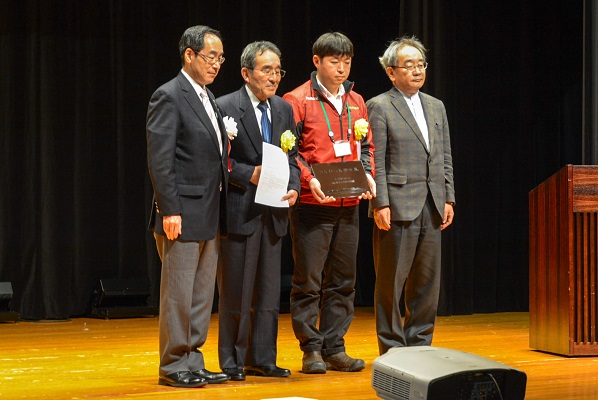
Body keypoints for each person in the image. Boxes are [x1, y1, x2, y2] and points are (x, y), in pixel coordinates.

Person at [282, 32, 375, 374]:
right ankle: (311, 349)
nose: (341, 68)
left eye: (346, 61)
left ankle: (335, 346)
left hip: (348, 204)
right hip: (312, 204)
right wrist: (310, 180)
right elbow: (289, 151)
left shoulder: (356, 101)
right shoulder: (297, 99)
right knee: (308, 280)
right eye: (334, 61)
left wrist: (368, 174)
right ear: (316, 61)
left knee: (343, 281)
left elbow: (366, 147)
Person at [146, 25, 230, 388]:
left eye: (220, 58)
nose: (216, 64)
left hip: (210, 210)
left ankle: (193, 359)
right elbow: (160, 160)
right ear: (189, 55)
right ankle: (173, 363)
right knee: (178, 293)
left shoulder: (207, 96)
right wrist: (170, 210)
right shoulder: (169, 95)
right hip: (181, 212)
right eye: (211, 56)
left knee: (200, 294)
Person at [215, 41, 300, 381]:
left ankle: (262, 358)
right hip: (242, 209)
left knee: (267, 292)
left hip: (274, 211)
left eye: (278, 70)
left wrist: (294, 185)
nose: (274, 77)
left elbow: (292, 155)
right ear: (246, 73)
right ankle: (233, 361)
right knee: (236, 291)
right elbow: (219, 161)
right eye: (267, 70)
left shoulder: (282, 109)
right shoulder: (225, 107)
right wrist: (247, 174)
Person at [366, 36, 455, 355]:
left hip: (432, 204)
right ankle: (392, 348)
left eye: (421, 65)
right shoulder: (379, 105)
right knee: (391, 283)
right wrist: (381, 202)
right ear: (391, 72)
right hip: (397, 205)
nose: (417, 71)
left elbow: (444, 155)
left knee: (427, 284)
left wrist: (448, 197)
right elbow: (375, 157)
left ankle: (419, 345)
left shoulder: (436, 106)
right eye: (409, 65)